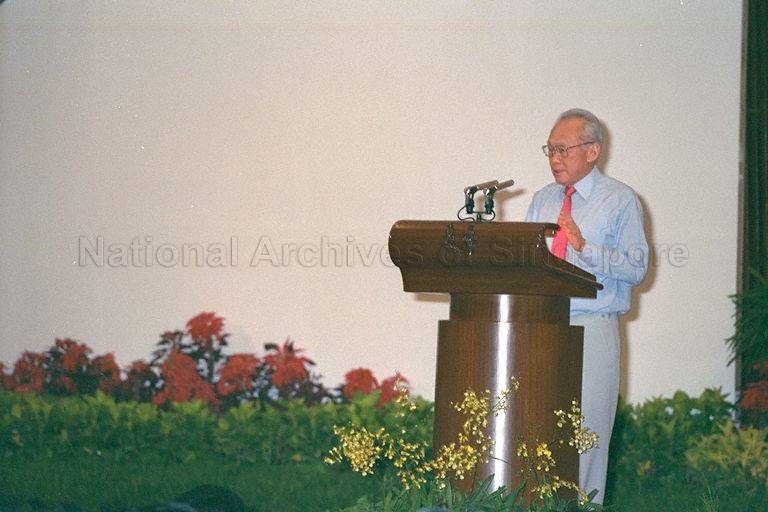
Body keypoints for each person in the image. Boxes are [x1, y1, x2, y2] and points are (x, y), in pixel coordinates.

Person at [525, 108, 648, 504]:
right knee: (539, 432)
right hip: (543, 328)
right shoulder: (543, 199)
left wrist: (584, 247)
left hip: (592, 327)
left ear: (593, 151)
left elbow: (636, 267)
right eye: (550, 149)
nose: (554, 158)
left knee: (587, 437)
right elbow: (528, 263)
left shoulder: (620, 200)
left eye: (563, 149)